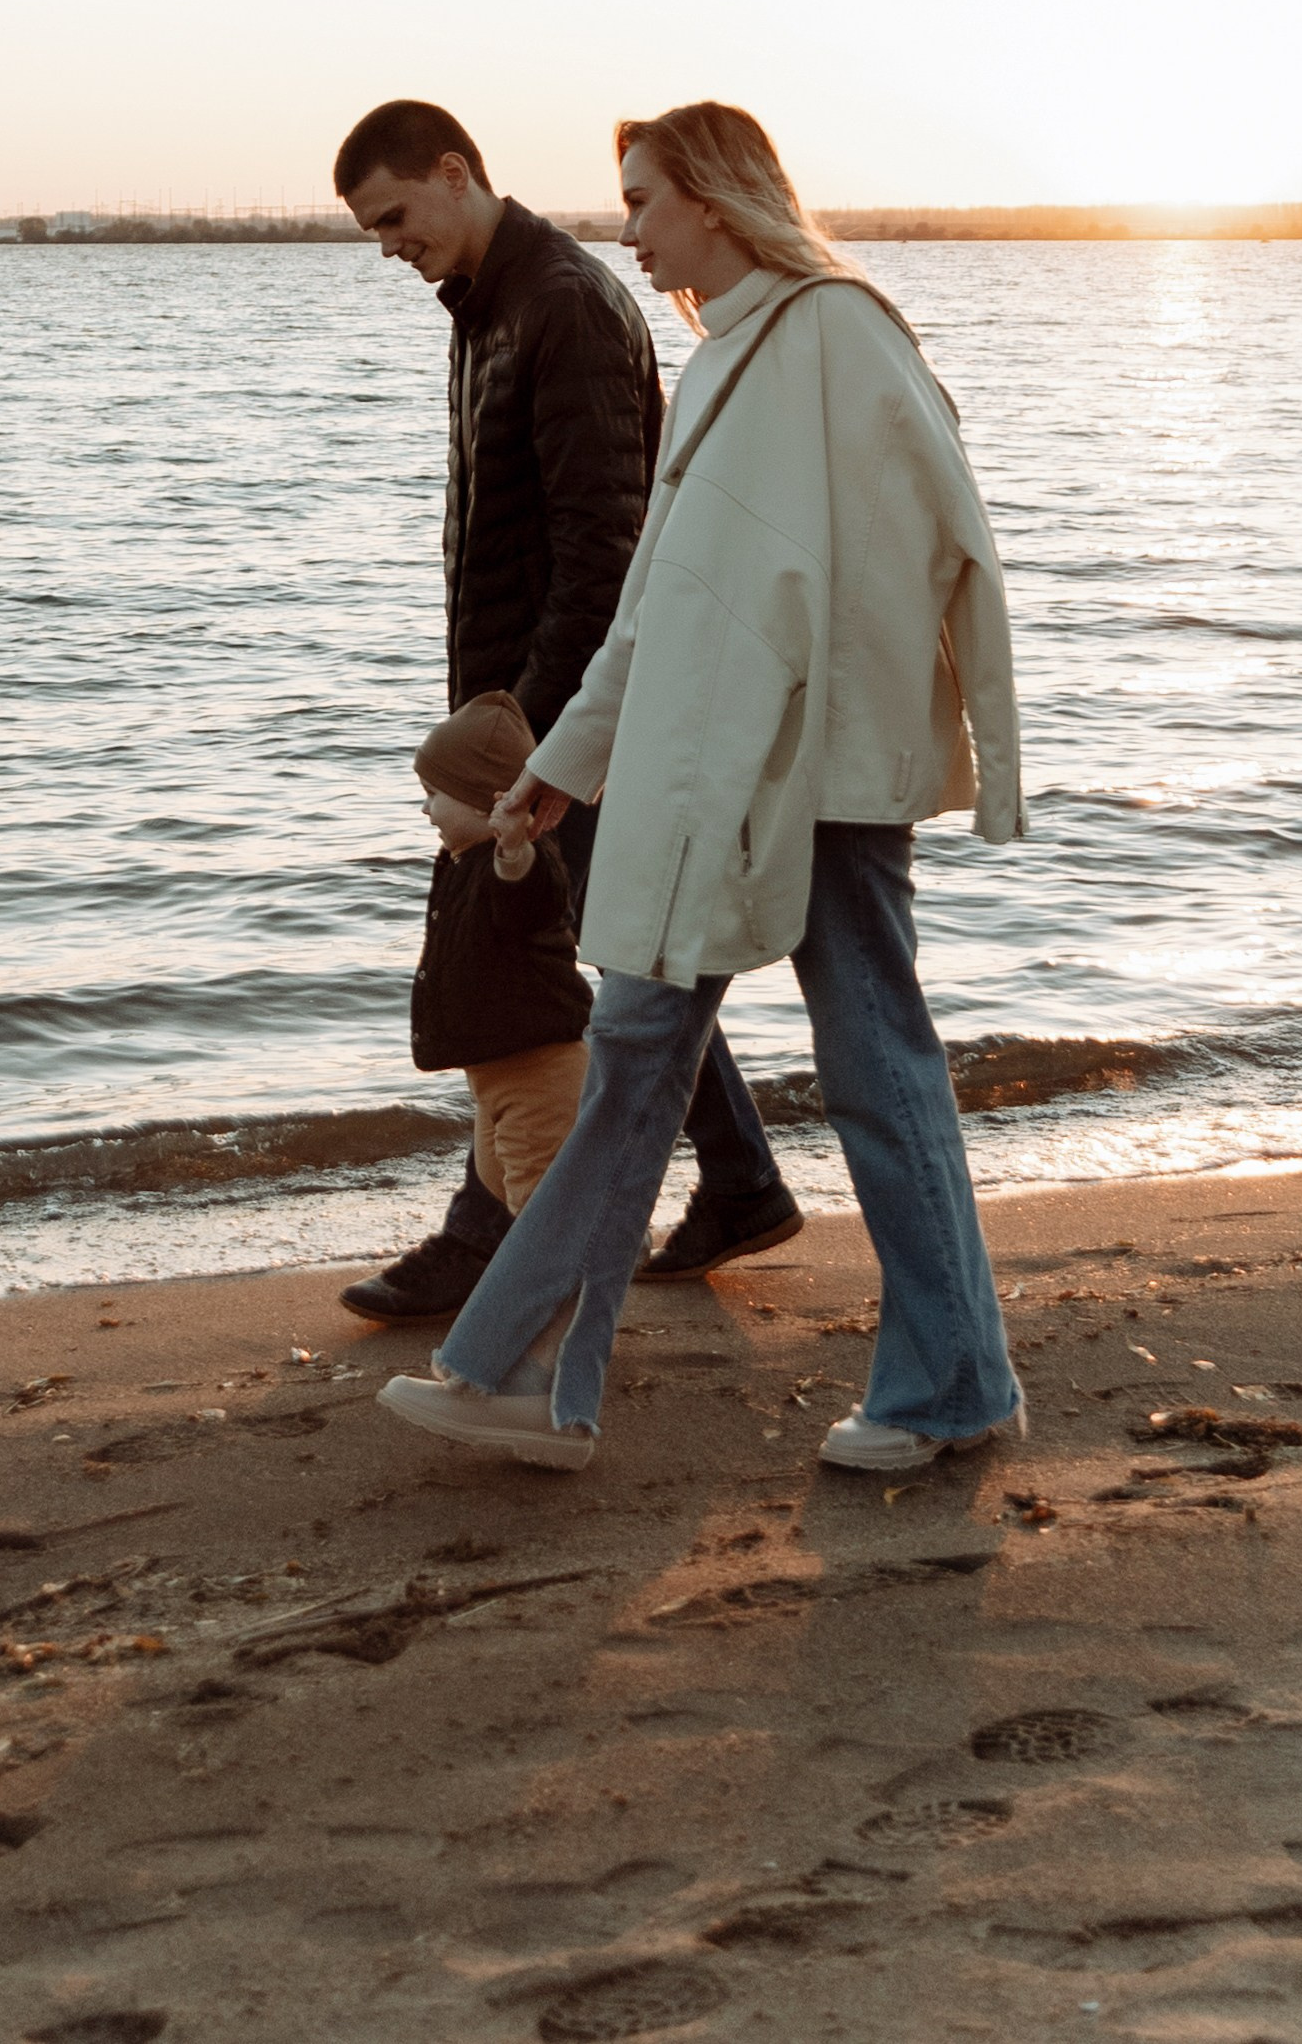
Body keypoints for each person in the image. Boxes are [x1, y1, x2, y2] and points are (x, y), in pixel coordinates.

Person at [376, 99, 1026, 1479]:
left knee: (871, 1067)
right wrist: (559, 768)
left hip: (817, 789)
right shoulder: (728, 352)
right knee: (633, 1060)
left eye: (646, 195)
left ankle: (951, 1384)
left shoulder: (839, 332)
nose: (628, 223)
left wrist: (847, 754)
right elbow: (654, 612)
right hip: (701, 785)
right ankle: (520, 1371)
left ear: (719, 200)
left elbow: (932, 540)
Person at [332, 97, 799, 1322]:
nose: (389, 244)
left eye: (394, 216)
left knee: (523, 964)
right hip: (535, 705)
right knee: (626, 960)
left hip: (571, 715)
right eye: (371, 230)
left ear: (452, 173)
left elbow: (606, 551)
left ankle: (488, 1238)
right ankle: (738, 1182)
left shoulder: (567, 306)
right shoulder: (489, 307)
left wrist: (528, 731)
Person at [410, 689, 592, 1222]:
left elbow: (533, 898)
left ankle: (568, 1288)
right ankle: (599, 1251)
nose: (425, 809)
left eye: (433, 794)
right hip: (493, 1078)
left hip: (541, 1075)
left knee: (542, 1207)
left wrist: (515, 847)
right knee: (502, 1185)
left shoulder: (519, 863)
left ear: (489, 801)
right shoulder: (462, 861)